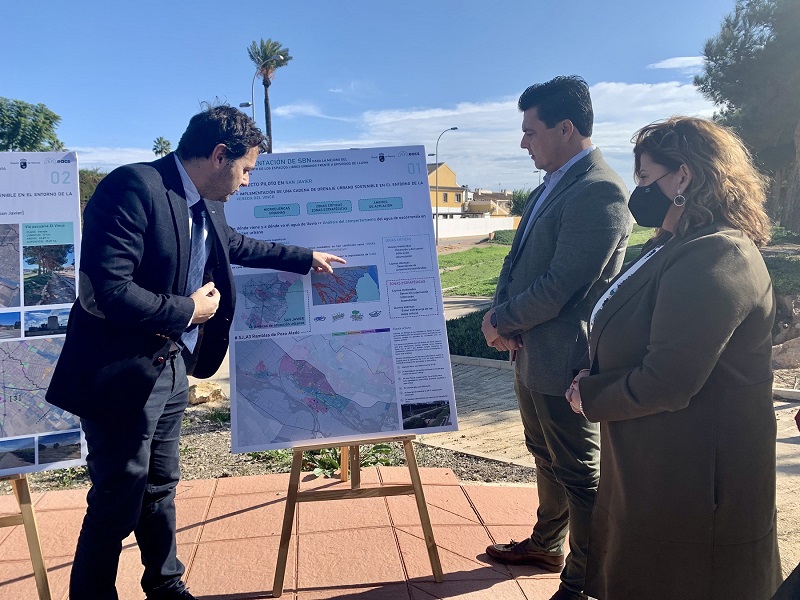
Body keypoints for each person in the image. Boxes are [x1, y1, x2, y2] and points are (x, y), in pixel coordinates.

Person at [45, 105, 344, 600]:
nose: (247, 181)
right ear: (219, 155)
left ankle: (165, 585)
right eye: (245, 169)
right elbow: (106, 290)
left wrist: (303, 258)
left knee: (160, 487)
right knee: (117, 499)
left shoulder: (207, 201)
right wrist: (188, 311)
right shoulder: (133, 187)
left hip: (170, 369)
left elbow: (234, 245)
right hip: (120, 376)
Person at [566, 116, 782, 599]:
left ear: (683, 175)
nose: (637, 190)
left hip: (696, 480)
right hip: (657, 460)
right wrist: (592, 370)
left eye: (645, 176)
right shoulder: (674, 244)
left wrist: (590, 395)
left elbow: (668, 379)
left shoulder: (716, 254)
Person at [480, 76, 632, 600]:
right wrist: (499, 317)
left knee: (578, 472)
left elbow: (563, 285)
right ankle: (547, 545)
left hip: (565, 357)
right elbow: (516, 260)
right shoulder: (554, 183)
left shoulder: (599, 190)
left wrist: (503, 321)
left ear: (565, 129)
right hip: (530, 351)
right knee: (543, 453)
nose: (523, 142)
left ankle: (584, 580)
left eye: (531, 131)